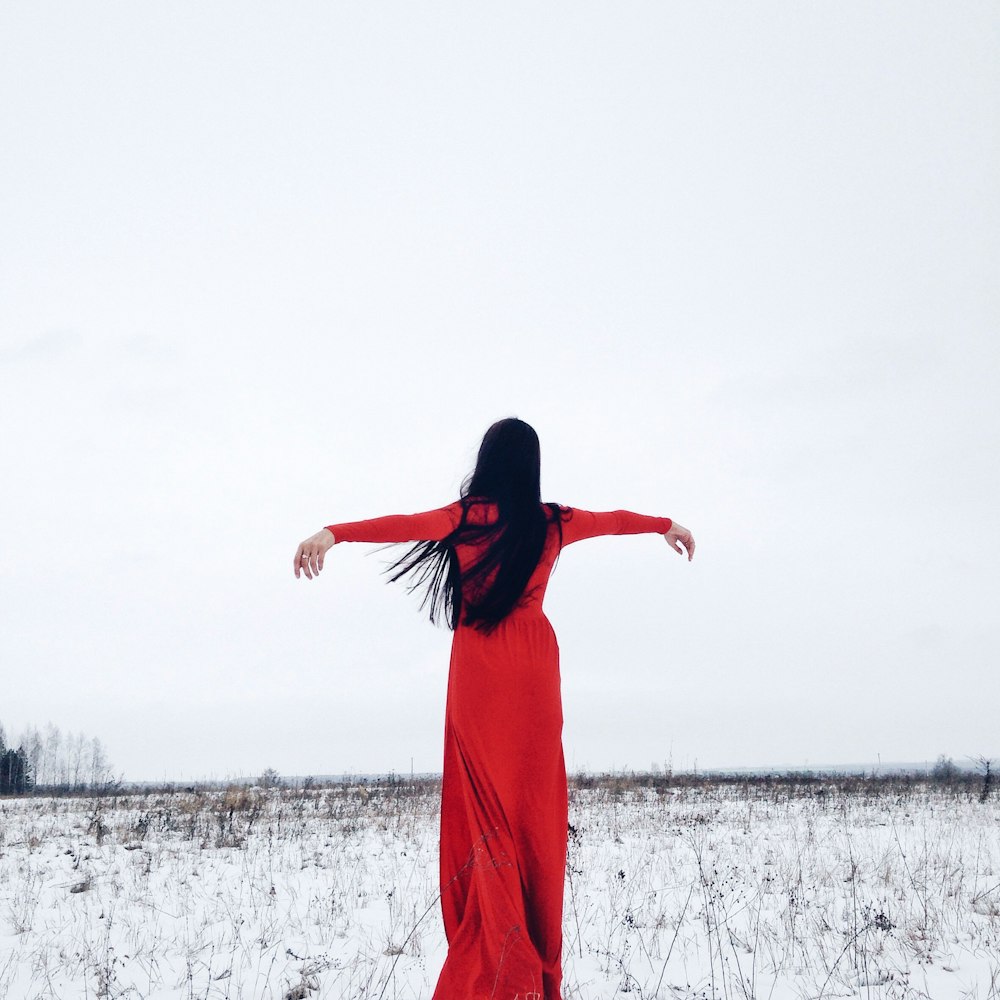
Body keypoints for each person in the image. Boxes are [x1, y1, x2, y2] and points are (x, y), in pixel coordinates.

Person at [294, 418, 694, 1000]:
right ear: (531, 465)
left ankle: (502, 958)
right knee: (532, 807)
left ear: (486, 461)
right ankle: (530, 952)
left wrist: (331, 534)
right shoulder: (552, 521)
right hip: (534, 666)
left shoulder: (467, 518)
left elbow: (402, 526)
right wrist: (665, 526)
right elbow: (613, 521)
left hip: (481, 666)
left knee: (486, 805)